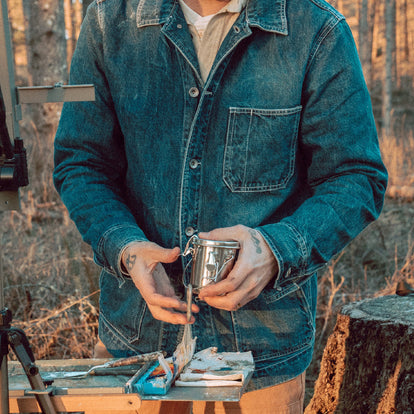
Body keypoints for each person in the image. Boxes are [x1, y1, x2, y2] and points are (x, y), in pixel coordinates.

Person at [53, 0, 387, 411]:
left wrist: (275, 251)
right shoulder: (109, 22)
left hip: (261, 359)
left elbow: (356, 178)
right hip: (135, 350)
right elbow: (82, 164)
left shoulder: (317, 30)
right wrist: (126, 247)